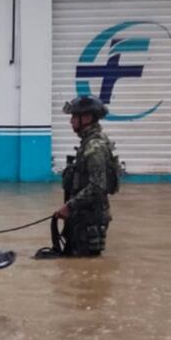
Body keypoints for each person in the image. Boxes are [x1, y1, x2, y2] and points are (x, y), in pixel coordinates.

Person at [39, 96, 117, 258]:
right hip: (83, 217)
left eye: (74, 116)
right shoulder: (89, 143)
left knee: (85, 267)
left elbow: (97, 186)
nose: (71, 121)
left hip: (89, 220)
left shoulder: (94, 147)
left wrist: (69, 207)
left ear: (87, 118)